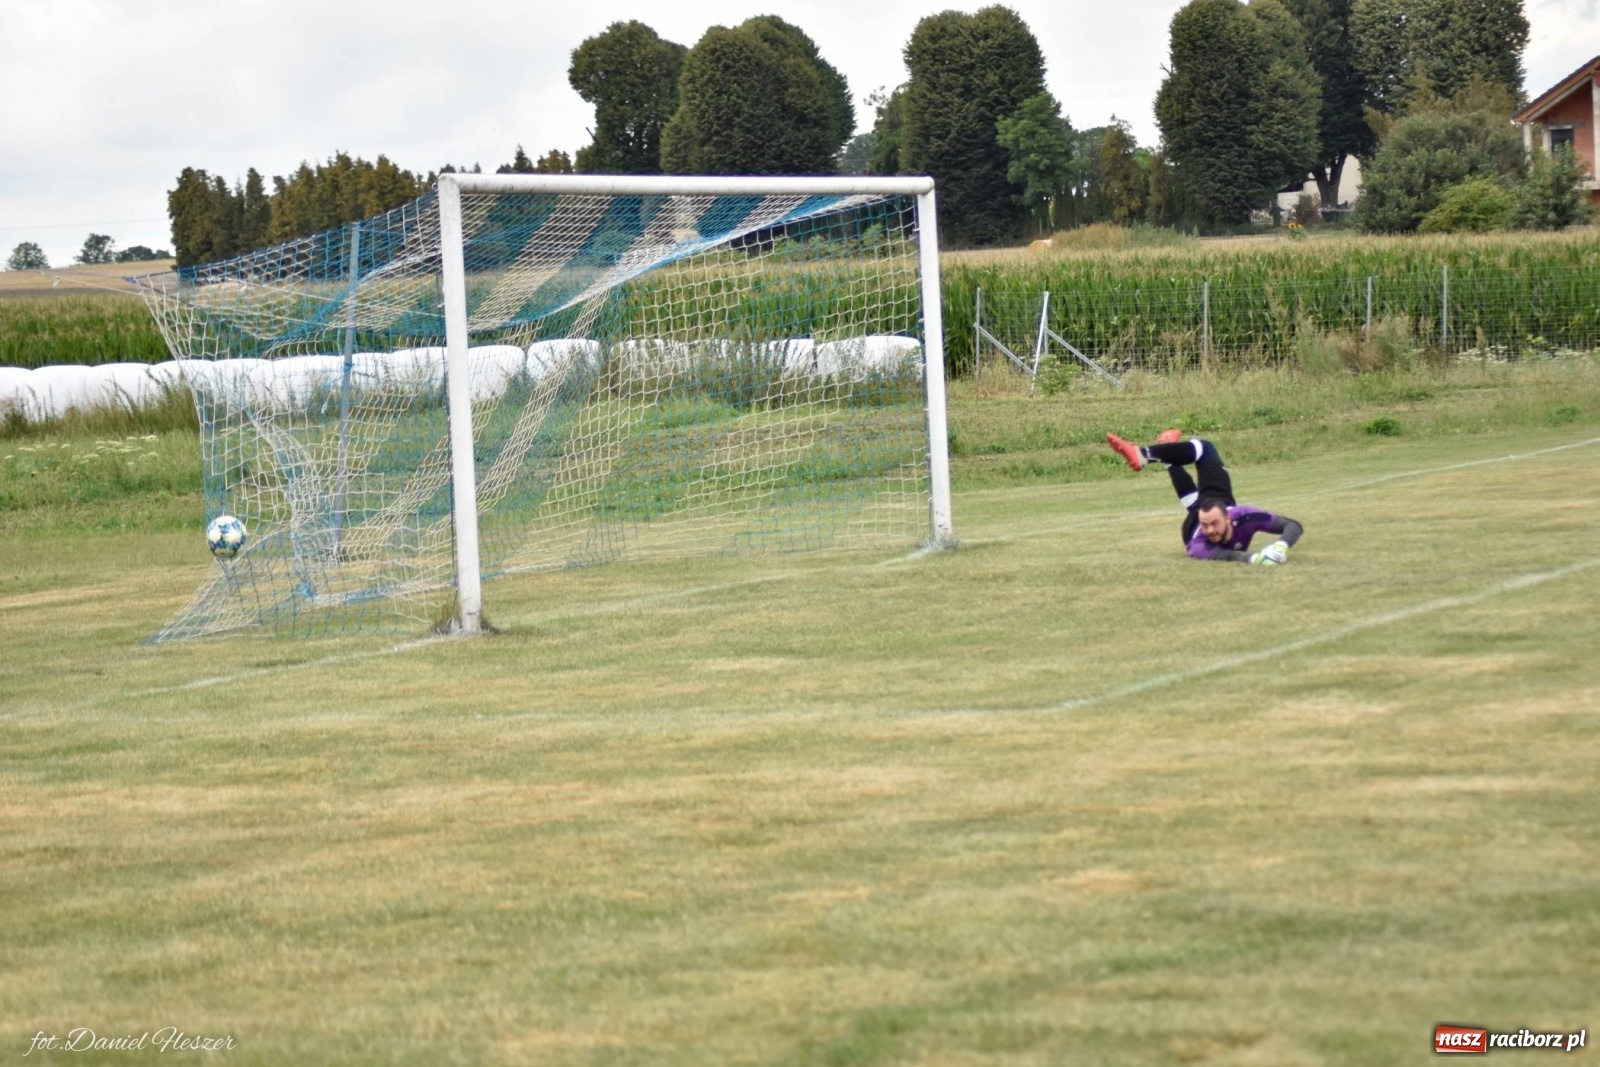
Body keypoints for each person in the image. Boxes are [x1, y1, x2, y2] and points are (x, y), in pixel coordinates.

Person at [1106, 430, 1304, 565]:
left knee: (1193, 503)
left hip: (1194, 518)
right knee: (1205, 450)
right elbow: (1227, 556)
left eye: (1213, 524)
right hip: (1209, 507)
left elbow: (1293, 525)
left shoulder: (1244, 515)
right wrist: (1256, 559)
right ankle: (1151, 452)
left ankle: (1159, 451)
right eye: (1206, 525)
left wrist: (1282, 545)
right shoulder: (1200, 545)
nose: (1209, 530)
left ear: (1229, 518)